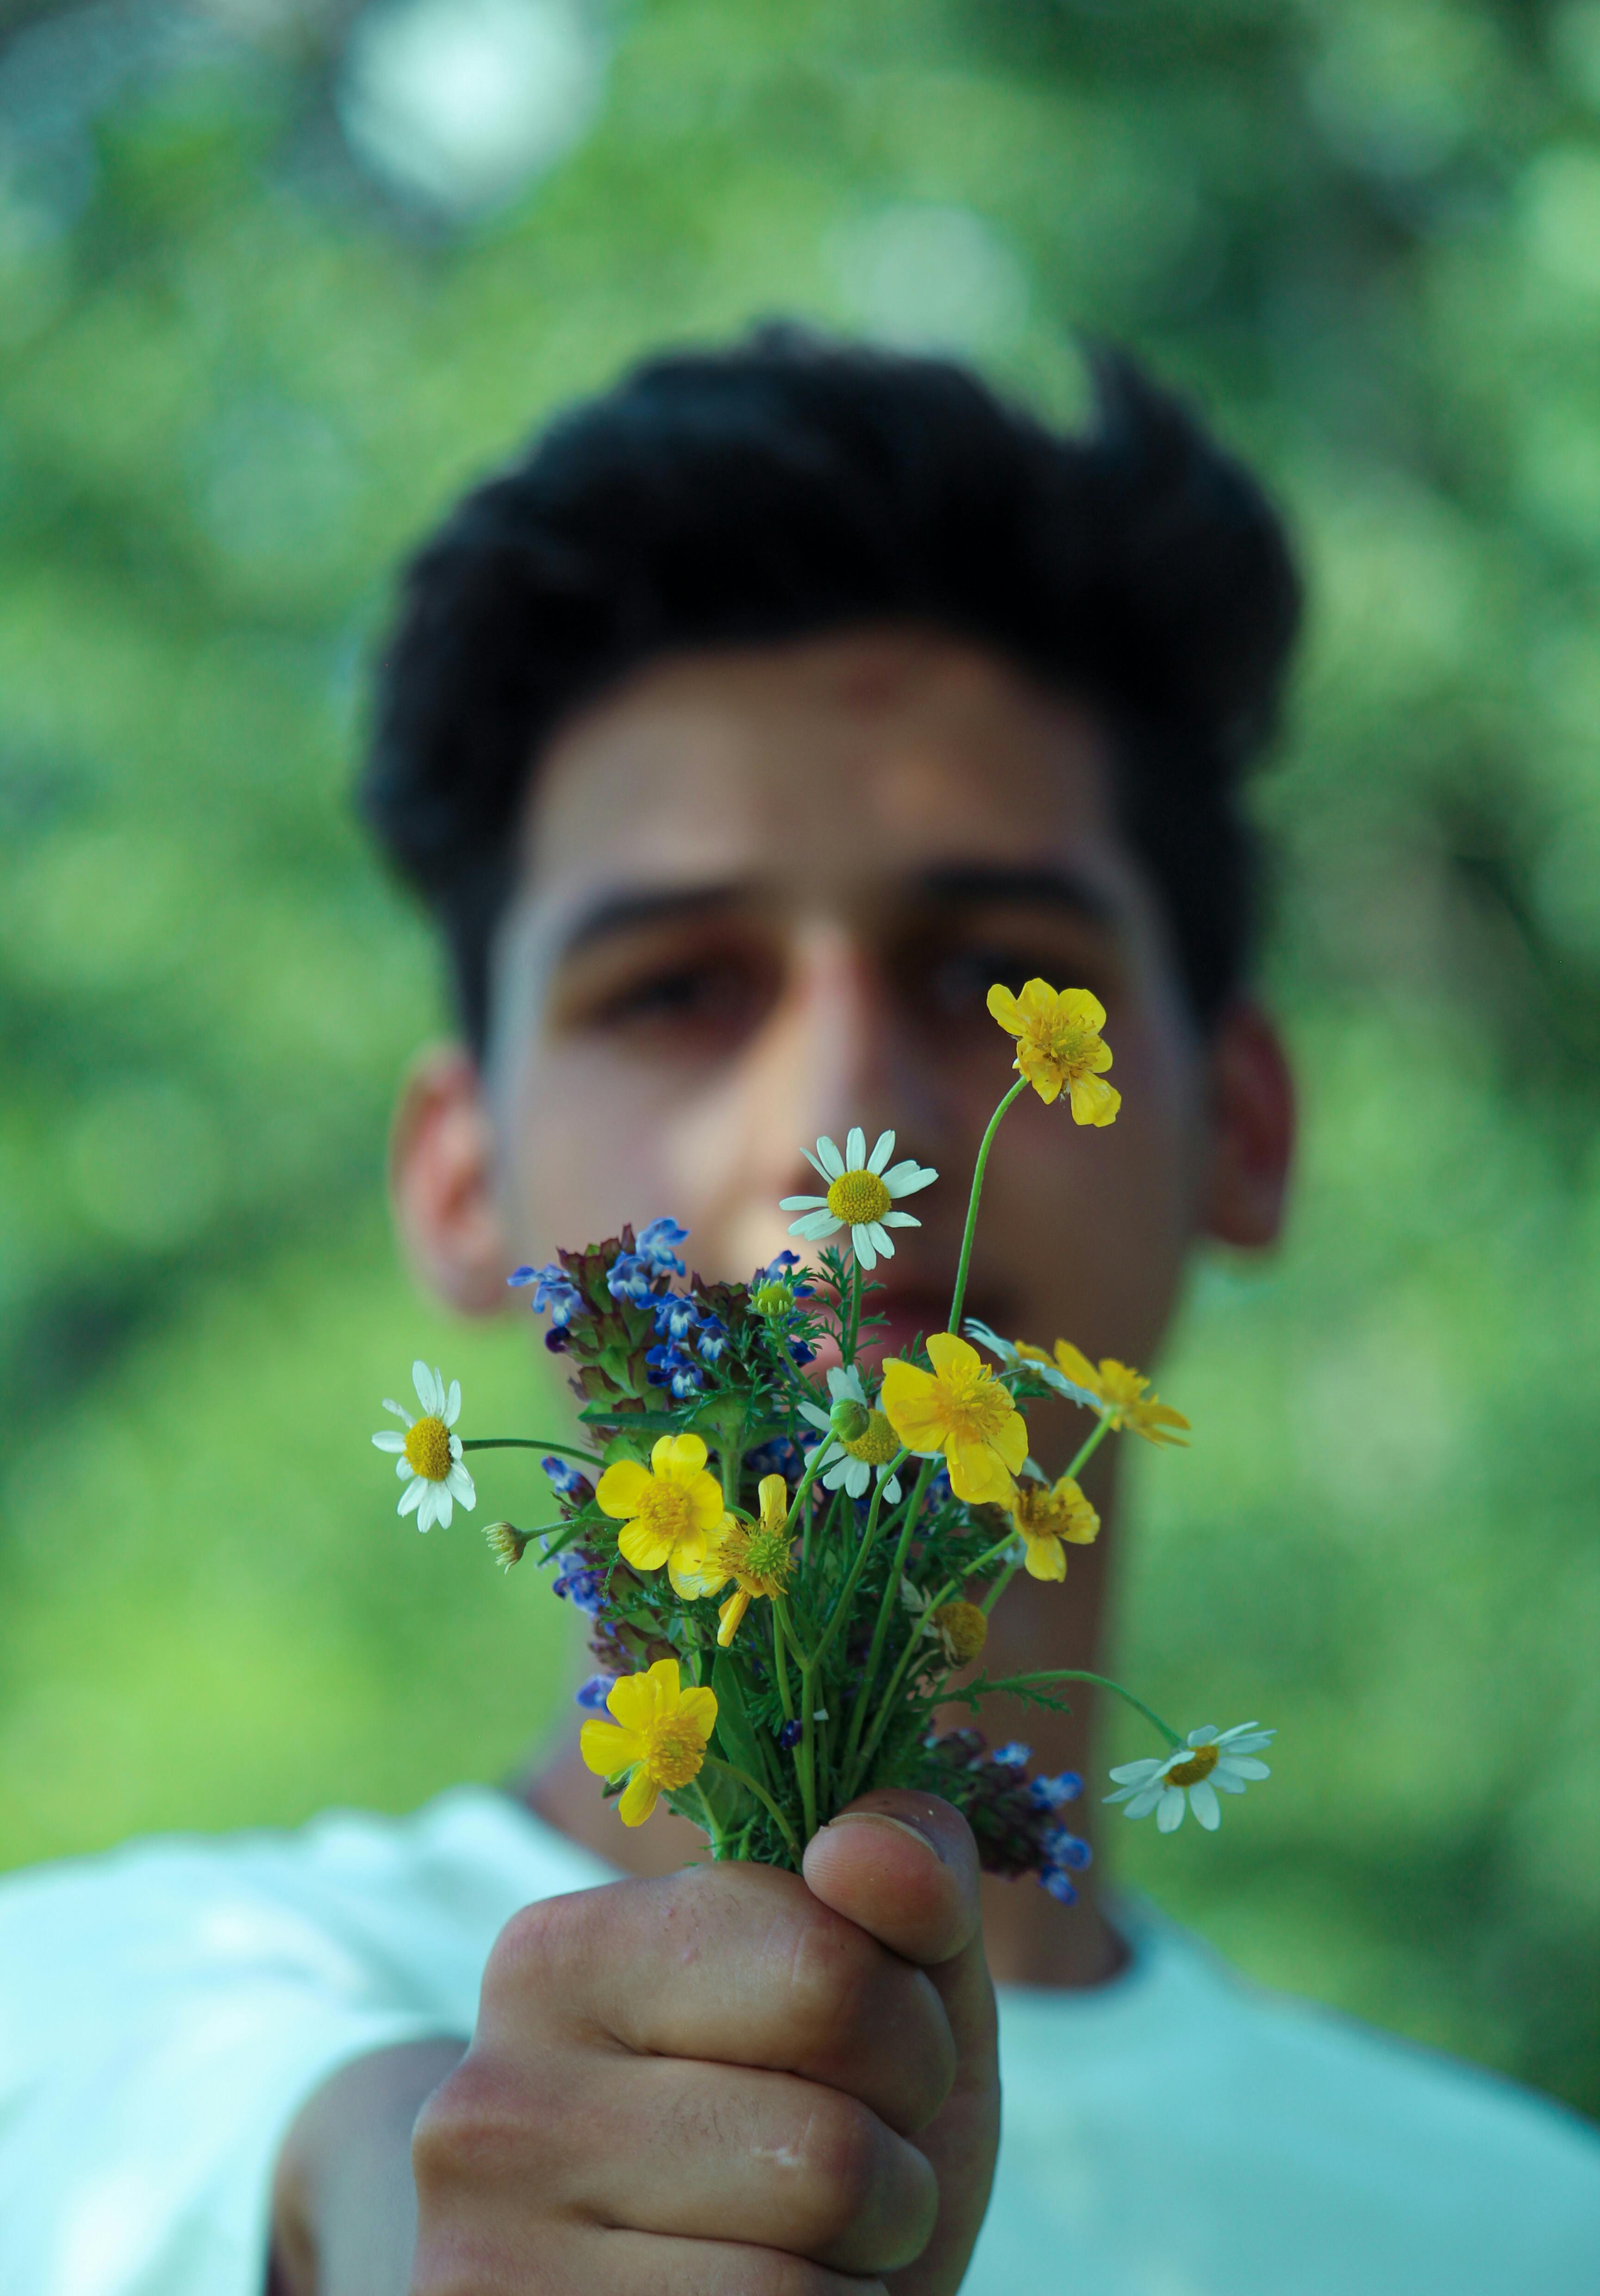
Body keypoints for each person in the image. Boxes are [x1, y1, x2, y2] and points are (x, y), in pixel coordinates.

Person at [1, 333, 1595, 2296]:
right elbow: (262, 2149)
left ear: (1246, 1127)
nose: (848, 1119)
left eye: (993, 974)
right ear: (456, 1179)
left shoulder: (1523, 2234)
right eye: (677, 989)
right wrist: (395, 2186)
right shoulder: (102, 2034)